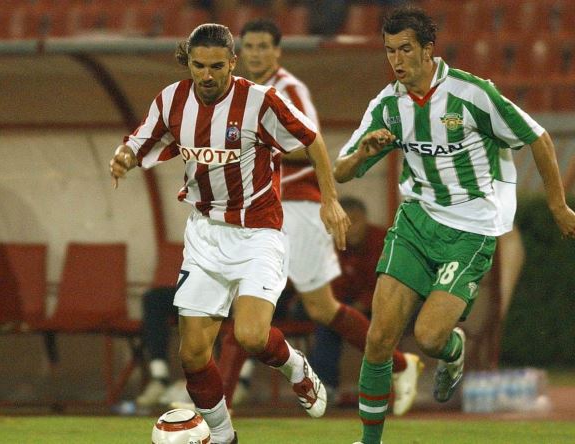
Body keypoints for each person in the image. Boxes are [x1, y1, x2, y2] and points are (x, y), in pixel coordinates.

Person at [334, 6, 575, 443]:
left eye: (405, 49)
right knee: (379, 337)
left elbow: (538, 137)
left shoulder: (472, 94)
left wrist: (558, 207)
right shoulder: (387, 105)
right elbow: (341, 171)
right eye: (390, 51)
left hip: (470, 229)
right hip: (416, 221)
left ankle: (452, 347)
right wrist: (363, 153)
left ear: (428, 50)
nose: (397, 60)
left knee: (428, 337)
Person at [110, 23, 350, 444]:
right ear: (189, 63)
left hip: (258, 232)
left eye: (216, 67)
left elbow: (312, 141)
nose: (206, 75)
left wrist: (330, 200)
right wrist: (124, 157)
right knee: (192, 354)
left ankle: (295, 367)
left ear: (232, 63)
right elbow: (140, 140)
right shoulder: (171, 100)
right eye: (198, 66)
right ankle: (223, 436)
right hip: (205, 234)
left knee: (251, 336)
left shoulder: (259, 101)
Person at [216, 18, 422, 416]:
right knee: (274, 306)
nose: (256, 53)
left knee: (301, 306)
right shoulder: (240, 94)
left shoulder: (288, 89)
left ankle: (400, 364)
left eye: (264, 46)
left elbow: (310, 142)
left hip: (297, 206)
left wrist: (261, 145)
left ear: (277, 51)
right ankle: (217, 406)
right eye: (250, 46)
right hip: (267, 208)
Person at [309, 196, 423, 415]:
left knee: (388, 324)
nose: (351, 228)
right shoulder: (331, 246)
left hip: (385, 305)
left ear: (366, 219)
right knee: (326, 322)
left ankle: (389, 391)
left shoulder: (384, 240)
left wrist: (364, 302)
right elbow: (333, 287)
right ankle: (325, 388)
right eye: (346, 222)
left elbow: (397, 281)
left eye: (356, 221)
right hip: (349, 307)